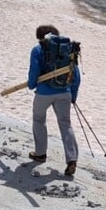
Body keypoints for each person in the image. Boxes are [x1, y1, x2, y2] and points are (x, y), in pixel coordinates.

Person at [27, 24, 80, 177]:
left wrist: (32, 85)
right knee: (65, 124)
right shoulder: (67, 49)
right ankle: (72, 159)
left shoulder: (38, 49)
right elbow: (75, 75)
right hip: (65, 92)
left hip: (44, 92)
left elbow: (34, 71)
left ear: (40, 37)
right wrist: (73, 95)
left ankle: (40, 153)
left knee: (38, 119)